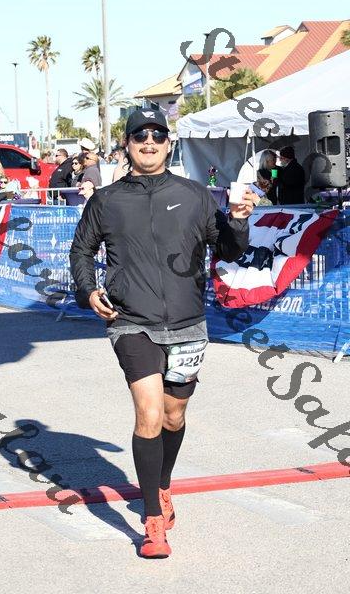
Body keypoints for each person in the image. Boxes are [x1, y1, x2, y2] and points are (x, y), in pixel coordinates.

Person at [70, 109, 253, 559]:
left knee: (174, 416)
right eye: (140, 136)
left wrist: (238, 220)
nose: (148, 142)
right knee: (149, 413)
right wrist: (88, 290)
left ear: (168, 144)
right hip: (131, 321)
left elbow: (229, 250)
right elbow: (81, 250)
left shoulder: (194, 195)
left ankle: (162, 485)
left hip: (188, 322)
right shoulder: (106, 200)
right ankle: (153, 521)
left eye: (157, 135)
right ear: (127, 144)